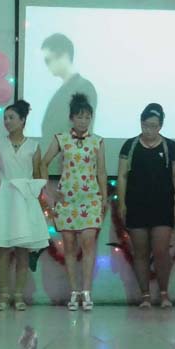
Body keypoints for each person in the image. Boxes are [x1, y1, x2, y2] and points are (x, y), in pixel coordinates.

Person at [0, 100, 50, 311]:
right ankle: (4, 294)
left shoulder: (33, 146)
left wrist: (39, 194)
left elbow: (37, 174)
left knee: (23, 250)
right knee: (3, 250)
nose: (7, 121)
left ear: (23, 120)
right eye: (5, 118)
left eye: (11, 117)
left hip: (24, 200)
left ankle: (19, 295)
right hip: (4, 199)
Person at [41, 93, 107, 311]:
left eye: (87, 117)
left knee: (88, 243)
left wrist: (103, 197)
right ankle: (74, 292)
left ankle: (87, 292)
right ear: (71, 118)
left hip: (90, 199)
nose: (83, 121)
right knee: (69, 246)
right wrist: (48, 191)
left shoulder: (97, 141)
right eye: (79, 117)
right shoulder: (61, 139)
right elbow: (43, 162)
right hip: (67, 200)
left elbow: (101, 172)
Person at [117, 103, 175, 308]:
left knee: (161, 251)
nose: (149, 130)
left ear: (161, 126)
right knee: (141, 252)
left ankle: (164, 294)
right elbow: (122, 176)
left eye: (153, 126)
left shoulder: (170, 146)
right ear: (141, 123)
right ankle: (145, 296)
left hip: (163, 206)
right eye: (145, 125)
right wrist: (122, 203)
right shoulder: (130, 145)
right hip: (136, 205)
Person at [39, 33, 98, 140]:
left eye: (48, 60)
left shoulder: (84, 87)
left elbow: (82, 130)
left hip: (70, 149)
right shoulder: (63, 90)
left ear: (64, 55)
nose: (47, 65)